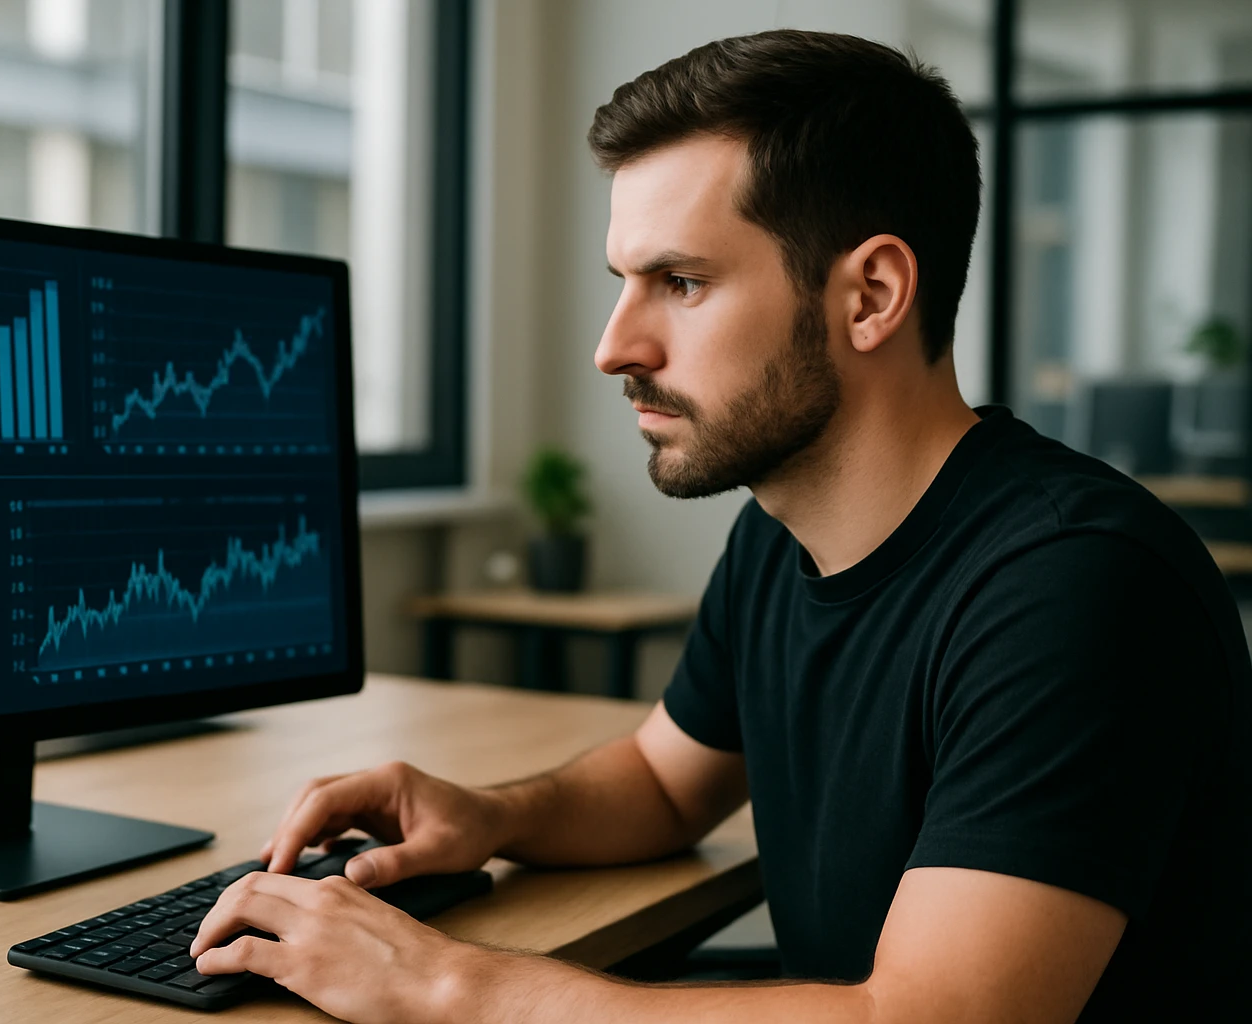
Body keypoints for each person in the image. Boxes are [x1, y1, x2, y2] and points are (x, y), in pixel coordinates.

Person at [189, 29, 1250, 1023]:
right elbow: (661, 780)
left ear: (871, 294)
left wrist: (447, 982)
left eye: (680, 282)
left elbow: (924, 1018)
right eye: (624, 283)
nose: (614, 347)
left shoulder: (1077, 585)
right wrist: (488, 815)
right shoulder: (784, 534)